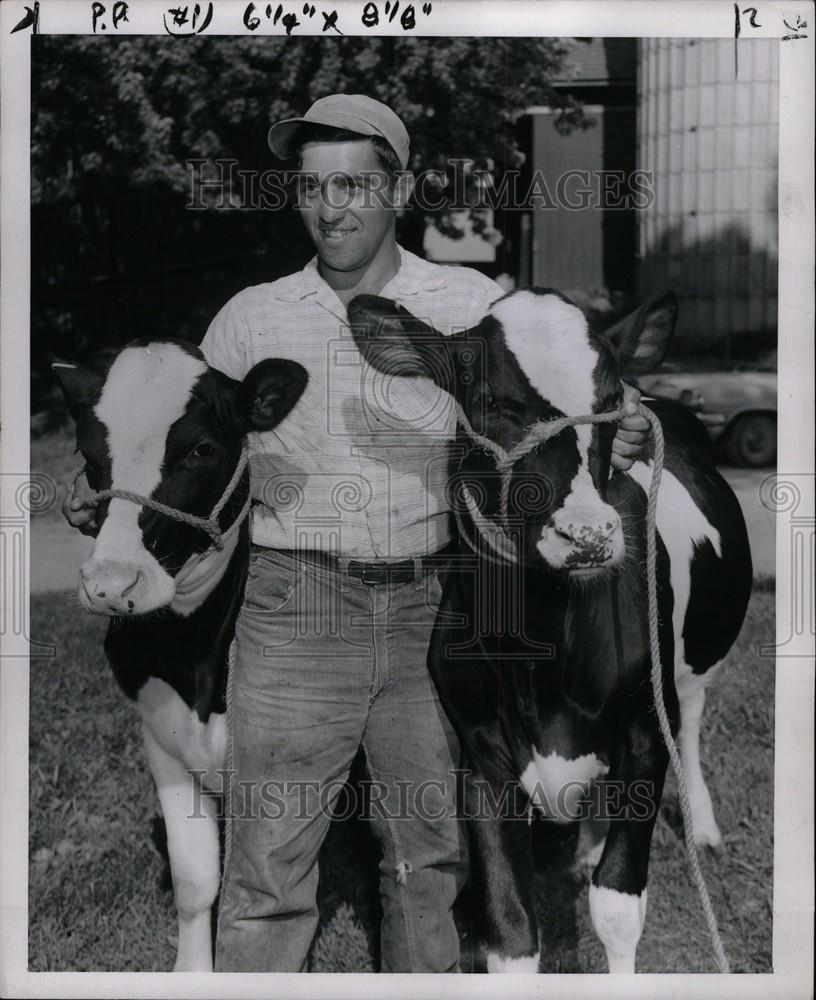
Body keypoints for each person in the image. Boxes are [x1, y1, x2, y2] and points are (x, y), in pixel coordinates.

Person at [63, 94, 650, 972]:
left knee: (432, 856)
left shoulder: (471, 303)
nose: (331, 206)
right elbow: (181, 431)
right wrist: (101, 494)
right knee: (270, 863)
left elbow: (568, 392)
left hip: (439, 604)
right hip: (293, 603)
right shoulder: (249, 319)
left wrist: (627, 423)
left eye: (352, 184)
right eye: (311, 186)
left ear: (398, 189)